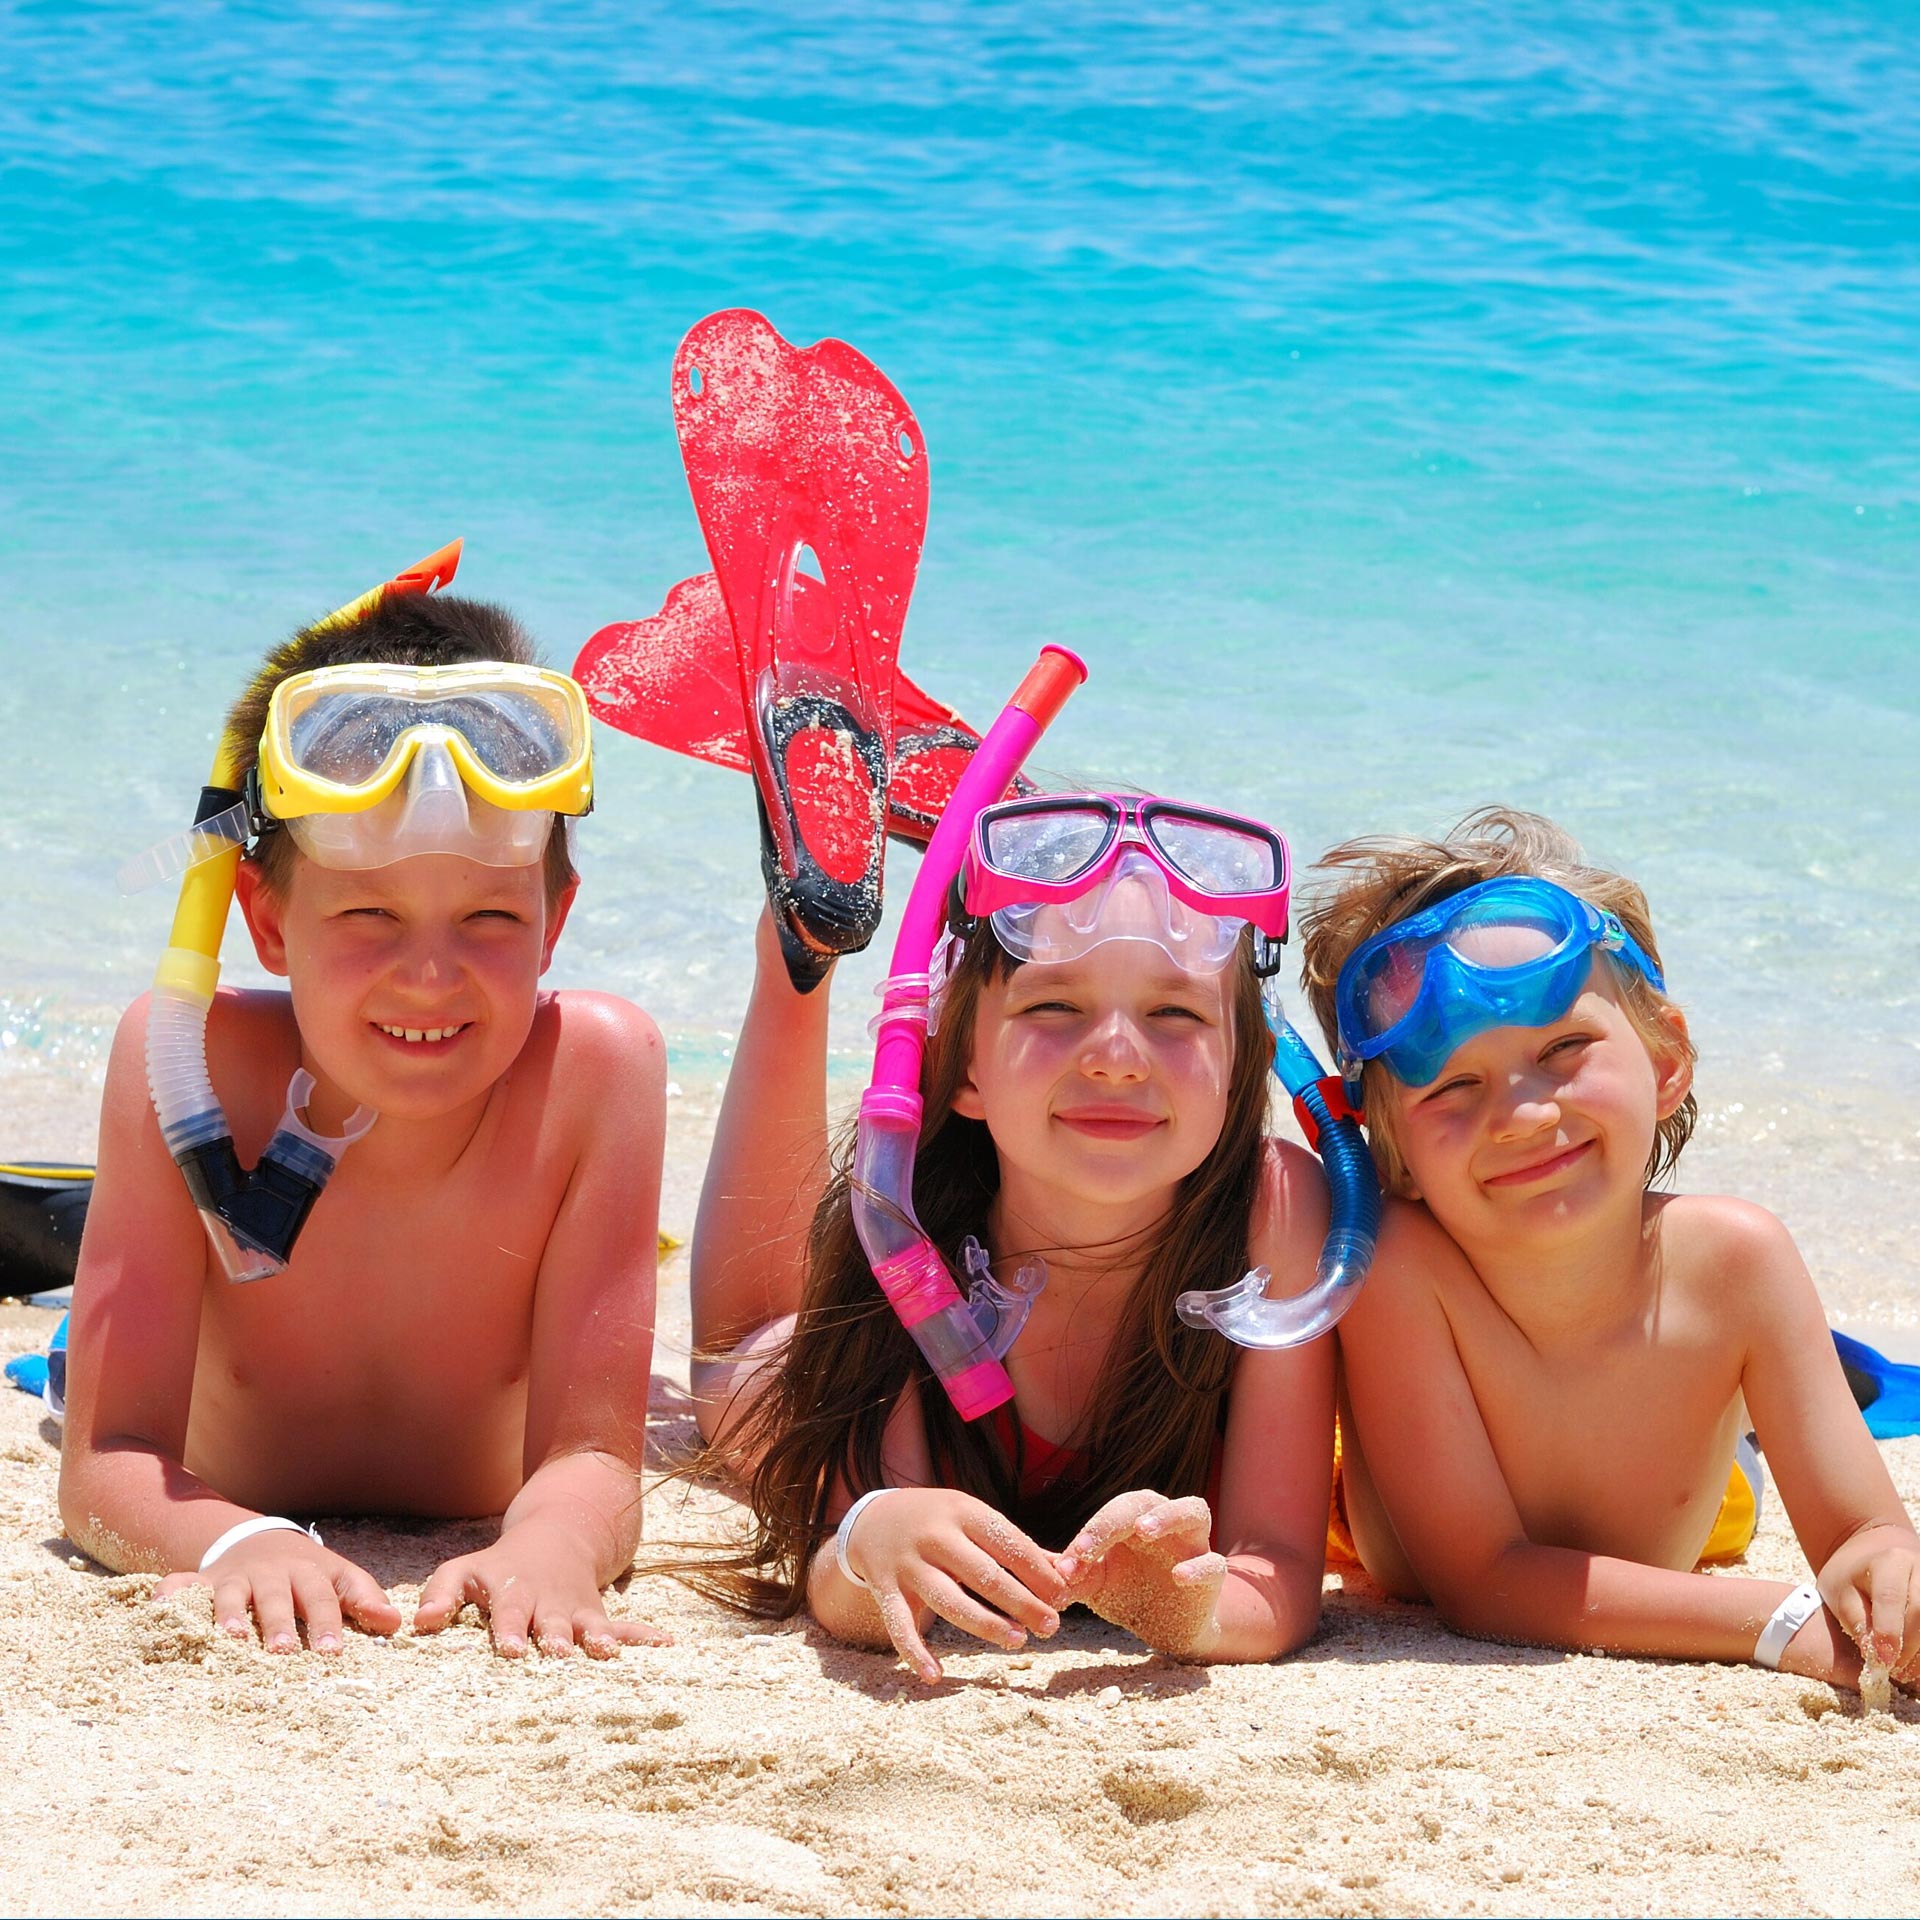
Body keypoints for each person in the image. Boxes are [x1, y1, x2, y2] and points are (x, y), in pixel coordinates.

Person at [59, 566, 668, 1660]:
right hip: (221, 1473)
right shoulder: (187, 1065)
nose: (429, 976)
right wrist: (234, 1542)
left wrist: (554, 1545)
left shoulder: (595, 1076)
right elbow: (106, 1463)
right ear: (267, 922)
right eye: (369, 913)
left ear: (554, 918)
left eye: (489, 917)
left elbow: (596, 1461)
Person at [686, 785, 1340, 1679]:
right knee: (740, 1368)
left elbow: (1280, 1566)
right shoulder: (902, 1224)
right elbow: (838, 1572)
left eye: (1176, 1014)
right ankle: (796, 959)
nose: (1117, 1056)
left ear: (1237, 1070)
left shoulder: (1277, 1213)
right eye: (1054, 1007)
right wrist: (876, 1535)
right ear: (963, 1069)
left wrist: (1195, 1613)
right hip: (791, 1370)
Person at [1299, 807, 1920, 1696]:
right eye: (1454, 1085)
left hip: (1709, 1499)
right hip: (1404, 1500)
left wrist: (1889, 1573)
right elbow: (1484, 1581)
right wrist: (1784, 1624)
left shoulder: (1738, 1264)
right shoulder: (1400, 1270)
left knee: (1753, 1473)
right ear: (1387, 1149)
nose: (1522, 1115)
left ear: (1666, 1060)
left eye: (1564, 1047)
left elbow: (1865, 1535)